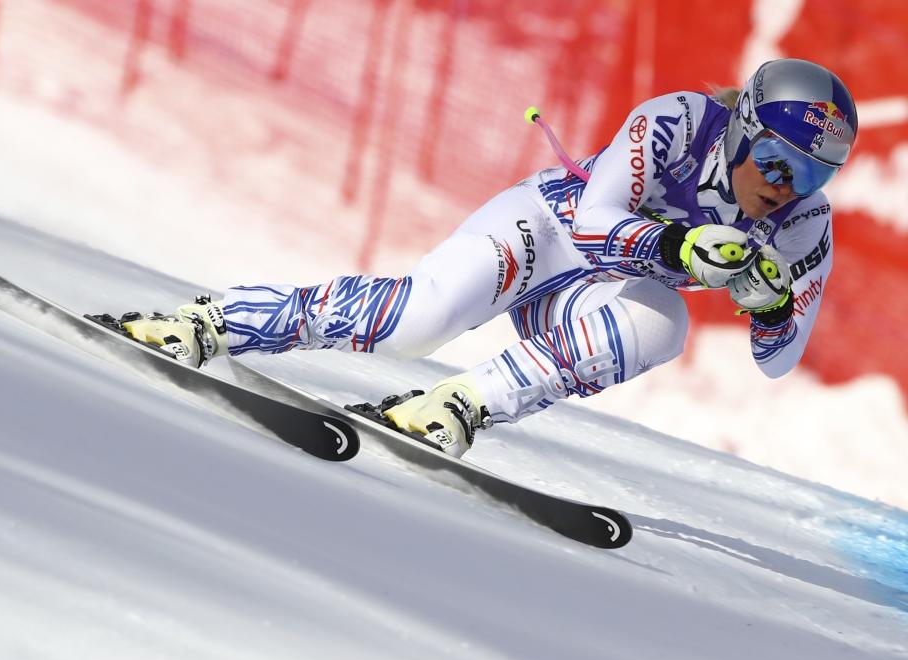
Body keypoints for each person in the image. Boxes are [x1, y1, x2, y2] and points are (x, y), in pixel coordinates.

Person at [119, 58, 857, 457]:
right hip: (547, 230)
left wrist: (772, 305)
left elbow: (778, 361)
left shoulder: (804, 224)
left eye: (813, 173)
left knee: (662, 324)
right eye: (774, 159)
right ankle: (213, 322)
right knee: (417, 322)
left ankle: (457, 407)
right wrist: (681, 243)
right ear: (741, 128)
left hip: (595, 291)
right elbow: (599, 219)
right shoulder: (679, 120)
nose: (785, 185)